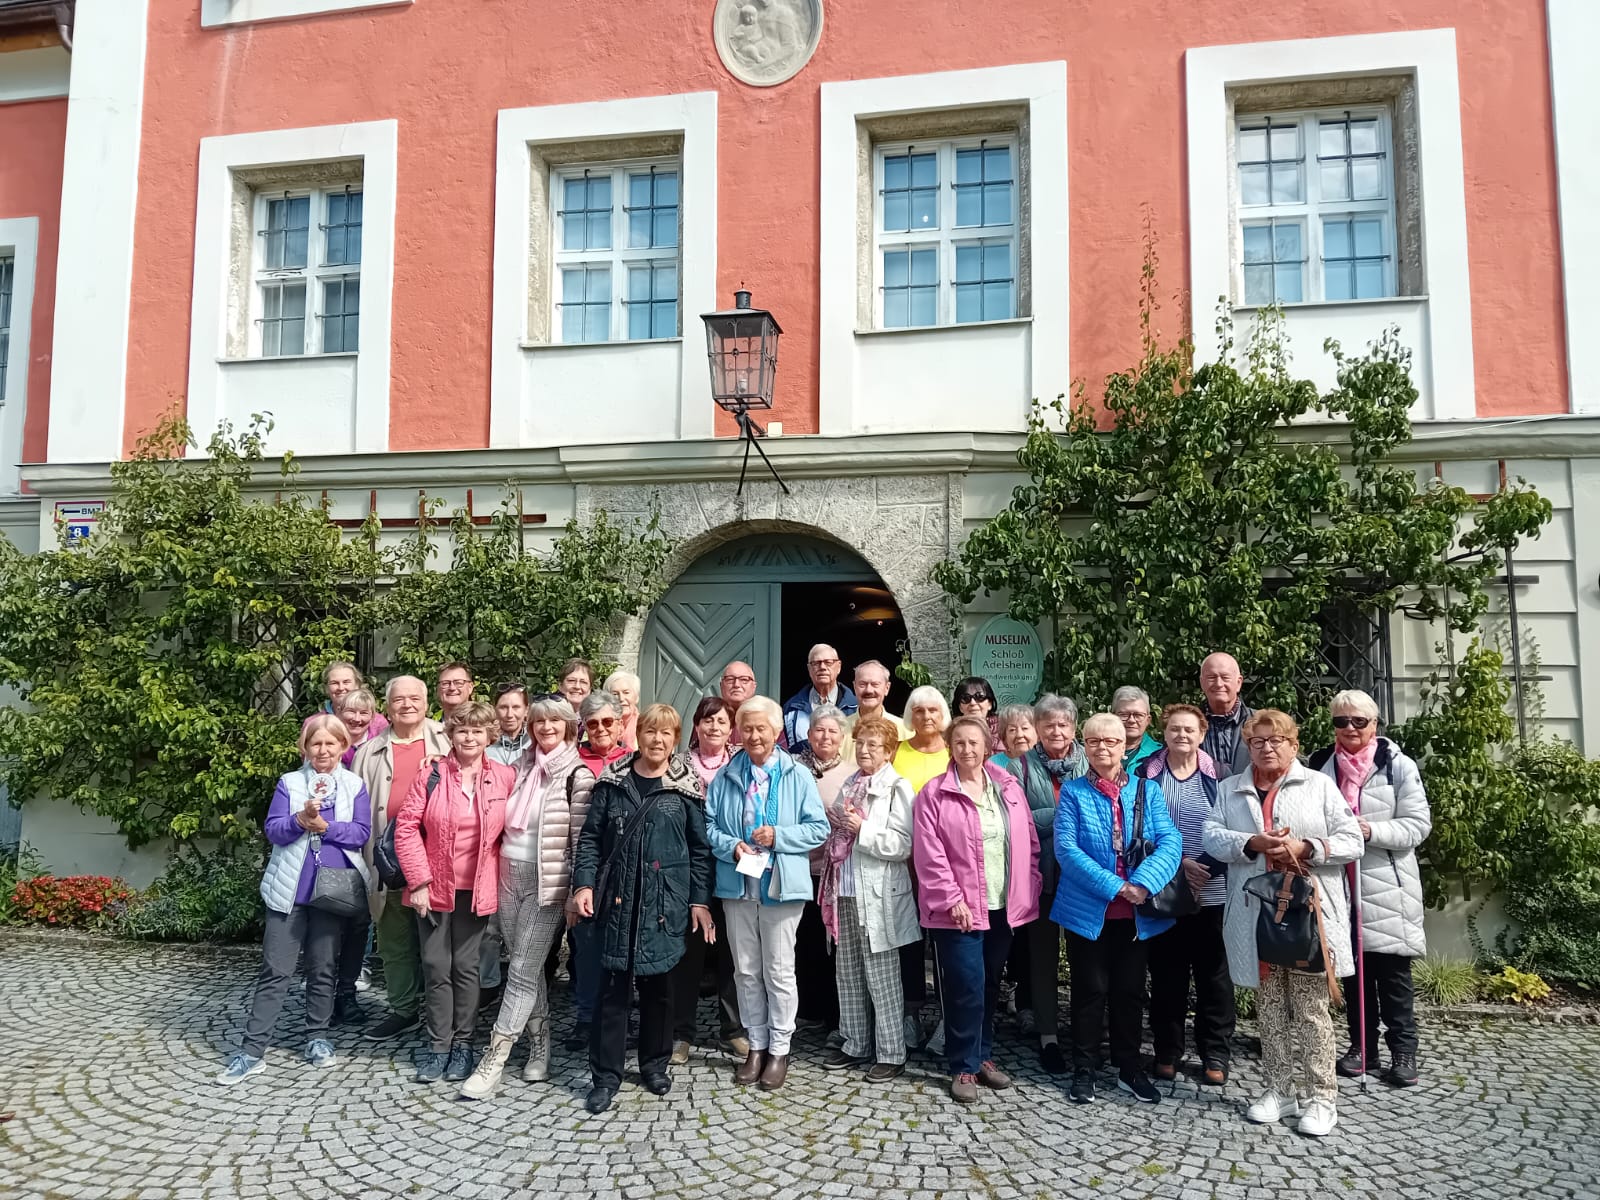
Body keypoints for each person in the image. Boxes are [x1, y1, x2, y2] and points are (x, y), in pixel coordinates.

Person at [1204, 709, 1363, 1138]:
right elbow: (1211, 837)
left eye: (1276, 740)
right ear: (1247, 746)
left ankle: (1321, 1096)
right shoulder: (1230, 790)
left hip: (1308, 916)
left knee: (1310, 1008)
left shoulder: (1319, 786)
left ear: (1294, 745)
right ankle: (1279, 1089)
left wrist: (1307, 846)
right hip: (1257, 914)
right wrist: (1251, 843)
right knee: (1269, 1006)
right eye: (1257, 741)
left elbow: (1351, 839)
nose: (1266, 748)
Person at [571, 704, 715, 1114]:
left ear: (675, 739)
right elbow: (590, 840)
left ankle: (654, 1063)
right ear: (638, 734)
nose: (658, 740)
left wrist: (699, 901)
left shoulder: (685, 788)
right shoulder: (612, 783)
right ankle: (605, 1076)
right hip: (616, 901)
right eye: (651, 731)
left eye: (667, 733)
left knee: (659, 992)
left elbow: (700, 851)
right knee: (612, 993)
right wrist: (583, 884)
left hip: (664, 904)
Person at [217, 715, 372, 1084]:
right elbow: (273, 830)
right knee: (276, 971)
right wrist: (300, 820)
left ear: (342, 747)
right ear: (305, 748)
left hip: (332, 891)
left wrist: (327, 827)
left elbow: (362, 833)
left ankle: (317, 1036)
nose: (323, 750)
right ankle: (252, 1051)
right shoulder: (290, 783)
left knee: (323, 968)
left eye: (330, 743)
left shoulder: (353, 785)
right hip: (290, 892)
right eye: (315, 743)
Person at [458, 694, 594, 1099]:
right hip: (507, 875)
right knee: (526, 970)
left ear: (569, 726)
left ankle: (494, 1059)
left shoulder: (577, 775)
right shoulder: (518, 768)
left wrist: (573, 895)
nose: (546, 728)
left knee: (519, 971)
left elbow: (581, 842)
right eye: (539, 722)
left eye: (554, 722)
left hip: (547, 884)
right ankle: (541, 1045)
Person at [1052, 712, 1181, 1105]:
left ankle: (1128, 1067)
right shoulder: (1073, 793)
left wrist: (1142, 885)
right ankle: (1085, 1069)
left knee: (1129, 992)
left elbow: (1170, 840)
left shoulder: (1147, 790)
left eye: (1110, 741)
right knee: (1089, 991)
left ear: (1125, 746)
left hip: (1136, 913)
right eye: (1093, 741)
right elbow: (1066, 850)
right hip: (1088, 910)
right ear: (1084, 746)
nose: (1102, 748)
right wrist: (1116, 886)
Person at [1307, 689, 1432, 1088]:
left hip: (1386, 885)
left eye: (1358, 721)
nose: (1349, 729)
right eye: (1340, 721)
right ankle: (1362, 1047)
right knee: (1353, 972)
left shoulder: (1398, 766)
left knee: (1392, 975)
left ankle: (1403, 1052)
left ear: (1374, 724)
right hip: (1337, 884)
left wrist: (1370, 830)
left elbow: (1417, 825)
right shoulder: (1319, 764)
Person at [913, 714, 1041, 1103]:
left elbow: (1028, 841)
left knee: (988, 983)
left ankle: (983, 1056)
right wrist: (952, 899)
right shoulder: (934, 794)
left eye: (974, 743)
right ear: (950, 747)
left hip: (1002, 904)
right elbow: (929, 854)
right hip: (958, 911)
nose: (967, 750)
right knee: (964, 987)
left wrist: (1030, 883)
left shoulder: (1008, 786)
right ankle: (963, 1065)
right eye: (959, 743)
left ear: (989, 747)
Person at [705, 696, 828, 1091]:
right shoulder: (726, 775)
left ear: (777, 732)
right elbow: (709, 827)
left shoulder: (797, 775)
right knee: (744, 970)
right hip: (738, 885)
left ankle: (779, 1048)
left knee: (777, 971)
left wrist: (779, 836)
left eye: (763, 728)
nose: (755, 735)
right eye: (748, 728)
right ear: (738, 733)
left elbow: (818, 829)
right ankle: (755, 1045)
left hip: (781, 885)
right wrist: (732, 846)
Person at [392, 700, 516, 1085]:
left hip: (476, 889)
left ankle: (464, 1043)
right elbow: (406, 827)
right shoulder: (431, 774)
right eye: (462, 729)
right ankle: (438, 1045)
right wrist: (419, 882)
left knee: (466, 966)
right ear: (450, 733)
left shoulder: (504, 776)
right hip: (434, 886)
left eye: (477, 731)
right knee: (434, 965)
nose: (469, 737)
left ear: (489, 736)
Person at [817, 715, 918, 1081]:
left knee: (882, 976)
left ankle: (892, 1051)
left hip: (877, 894)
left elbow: (903, 844)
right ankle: (855, 1042)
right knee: (848, 973)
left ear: (889, 751)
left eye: (873, 744)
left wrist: (863, 829)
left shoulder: (897, 787)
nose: (864, 749)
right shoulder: (850, 783)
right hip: (844, 888)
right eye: (860, 742)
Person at [353, 675, 450, 1042]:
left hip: (438, 862)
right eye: (399, 700)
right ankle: (403, 1009)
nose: (407, 705)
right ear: (387, 706)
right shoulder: (369, 751)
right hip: (389, 864)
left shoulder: (448, 740)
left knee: (439, 944)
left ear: (427, 703)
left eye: (415, 698)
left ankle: (442, 1016)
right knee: (394, 940)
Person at [1141, 702, 1233, 1086]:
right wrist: (1178, 867)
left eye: (1189, 730)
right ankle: (1167, 1051)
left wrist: (1205, 868)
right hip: (1165, 889)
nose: (1182, 735)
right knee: (1167, 976)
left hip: (1212, 890)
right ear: (1164, 732)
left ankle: (1215, 1052)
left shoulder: (1220, 776)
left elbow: (1234, 829)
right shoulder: (1146, 775)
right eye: (1174, 729)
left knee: (1214, 976)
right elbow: (1138, 831)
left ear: (1202, 733)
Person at [1009, 693, 1087, 1074]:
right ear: (1036, 728)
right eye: (1049, 724)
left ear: (1074, 727)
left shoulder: (1090, 763)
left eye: (1063, 724)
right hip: (1038, 879)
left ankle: (1084, 1034)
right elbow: (1014, 826)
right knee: (1041, 961)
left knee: (1085, 959)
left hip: (1082, 881)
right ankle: (1048, 1036)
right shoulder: (1017, 768)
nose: (1056, 731)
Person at [671, 695, 749, 1064]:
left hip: (733, 869)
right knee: (689, 954)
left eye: (721, 721)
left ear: (730, 726)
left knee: (731, 955)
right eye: (707, 720)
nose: (714, 727)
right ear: (696, 726)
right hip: (689, 870)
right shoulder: (678, 765)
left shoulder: (741, 763)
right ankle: (681, 1033)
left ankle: (732, 1028)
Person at [568, 689, 632, 1048]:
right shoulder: (573, 761)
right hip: (585, 867)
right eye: (593, 723)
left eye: (608, 721)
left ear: (621, 723)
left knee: (622, 948)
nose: (601, 729)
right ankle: (586, 1017)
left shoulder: (635, 760)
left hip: (624, 868)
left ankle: (621, 1018)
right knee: (586, 947)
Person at [793, 704, 851, 1034]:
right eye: (819, 730)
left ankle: (836, 1013)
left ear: (842, 737)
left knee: (836, 945)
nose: (825, 736)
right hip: (801, 869)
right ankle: (809, 1009)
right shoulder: (794, 767)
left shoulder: (851, 772)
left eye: (832, 731)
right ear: (809, 734)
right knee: (806, 942)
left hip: (836, 873)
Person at [781, 643, 859, 753]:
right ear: (809, 669)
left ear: (839, 667)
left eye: (828, 662)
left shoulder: (856, 707)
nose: (822, 667)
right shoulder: (791, 708)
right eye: (816, 663)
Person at [1199, 652, 1254, 778]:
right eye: (1211, 677)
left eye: (1225, 677)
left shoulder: (1260, 723)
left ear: (1239, 682)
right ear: (1202, 683)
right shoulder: (1187, 726)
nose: (1218, 684)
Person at [841, 659, 908, 758]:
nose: (869, 690)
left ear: (887, 688)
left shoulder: (905, 730)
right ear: (854, 687)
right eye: (862, 684)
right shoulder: (839, 730)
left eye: (875, 684)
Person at [893, 685, 951, 794]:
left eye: (932, 710)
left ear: (942, 715)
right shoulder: (894, 751)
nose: (926, 716)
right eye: (919, 711)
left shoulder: (953, 752)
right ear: (911, 716)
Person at [310, 661, 390, 740]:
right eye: (334, 683)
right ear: (327, 688)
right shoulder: (313, 722)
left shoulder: (378, 722)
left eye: (346, 682)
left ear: (357, 685)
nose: (341, 688)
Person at [1111, 685, 1161, 774]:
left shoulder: (1159, 754)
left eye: (1138, 715)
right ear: (1113, 717)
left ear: (1148, 720)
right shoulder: (1098, 750)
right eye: (1124, 714)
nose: (1131, 720)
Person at [952, 676, 1002, 753]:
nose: (972, 703)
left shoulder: (1005, 730)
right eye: (966, 698)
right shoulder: (950, 734)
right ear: (960, 707)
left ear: (990, 704)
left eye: (979, 697)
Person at [333, 689, 380, 768]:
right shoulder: (328, 742)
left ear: (372, 717)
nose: (357, 719)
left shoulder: (379, 745)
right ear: (339, 713)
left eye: (363, 713)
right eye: (351, 711)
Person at [486, 683, 531, 766]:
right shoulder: (484, 743)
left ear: (526, 710)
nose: (509, 715)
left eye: (516, 707)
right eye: (503, 707)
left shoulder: (536, 742)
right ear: (495, 709)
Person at [720, 661, 758, 748]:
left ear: (754, 686)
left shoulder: (768, 718)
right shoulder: (708, 717)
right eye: (730, 679)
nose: (736, 685)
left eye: (744, 680)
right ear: (721, 685)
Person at [990, 703, 1037, 773]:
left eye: (1025, 728)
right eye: (1012, 730)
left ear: (1038, 733)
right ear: (1004, 737)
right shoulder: (993, 764)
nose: (1019, 735)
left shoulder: (1046, 761)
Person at [603, 669, 641, 750]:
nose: (621, 698)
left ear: (636, 697)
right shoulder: (600, 727)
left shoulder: (645, 726)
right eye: (615, 694)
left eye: (626, 692)